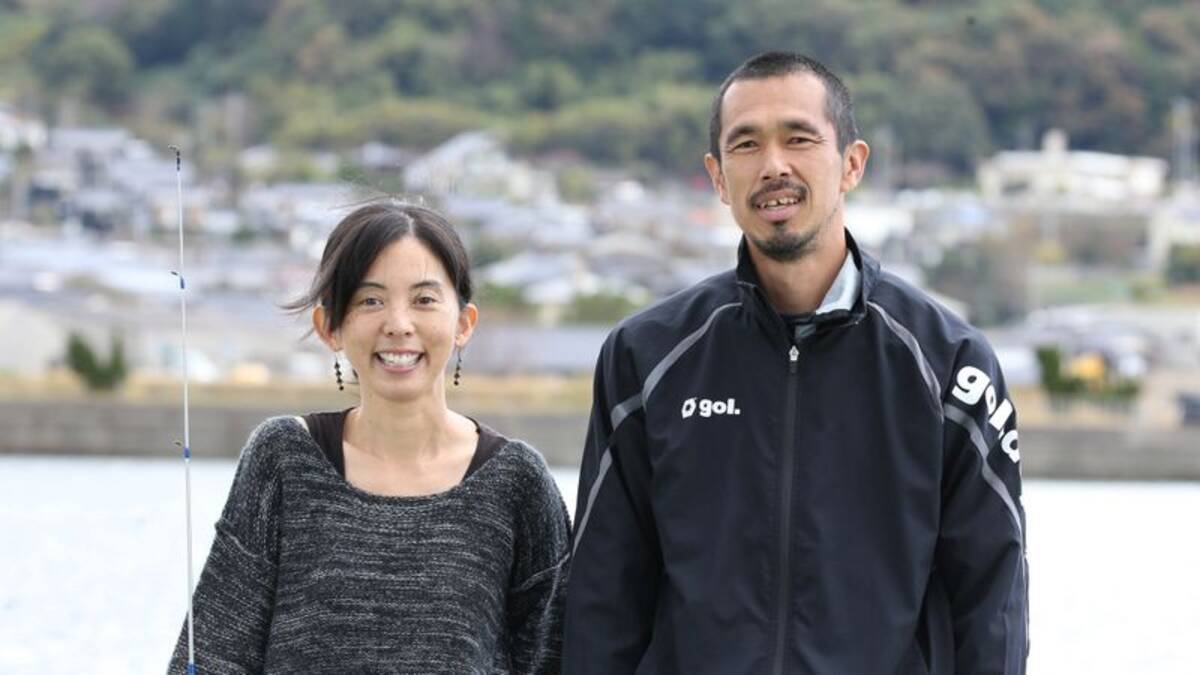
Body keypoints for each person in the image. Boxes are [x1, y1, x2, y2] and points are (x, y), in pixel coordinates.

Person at [563, 51, 1028, 674]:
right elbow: (602, 598)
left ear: (852, 164)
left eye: (799, 138)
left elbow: (992, 603)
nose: (773, 165)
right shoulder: (646, 358)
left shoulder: (951, 365)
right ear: (718, 176)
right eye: (746, 144)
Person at [168, 201, 570, 674]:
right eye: (370, 300)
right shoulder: (283, 458)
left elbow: (556, 657)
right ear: (330, 326)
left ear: (464, 323)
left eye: (424, 299)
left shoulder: (516, 481)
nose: (398, 324)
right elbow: (214, 657)